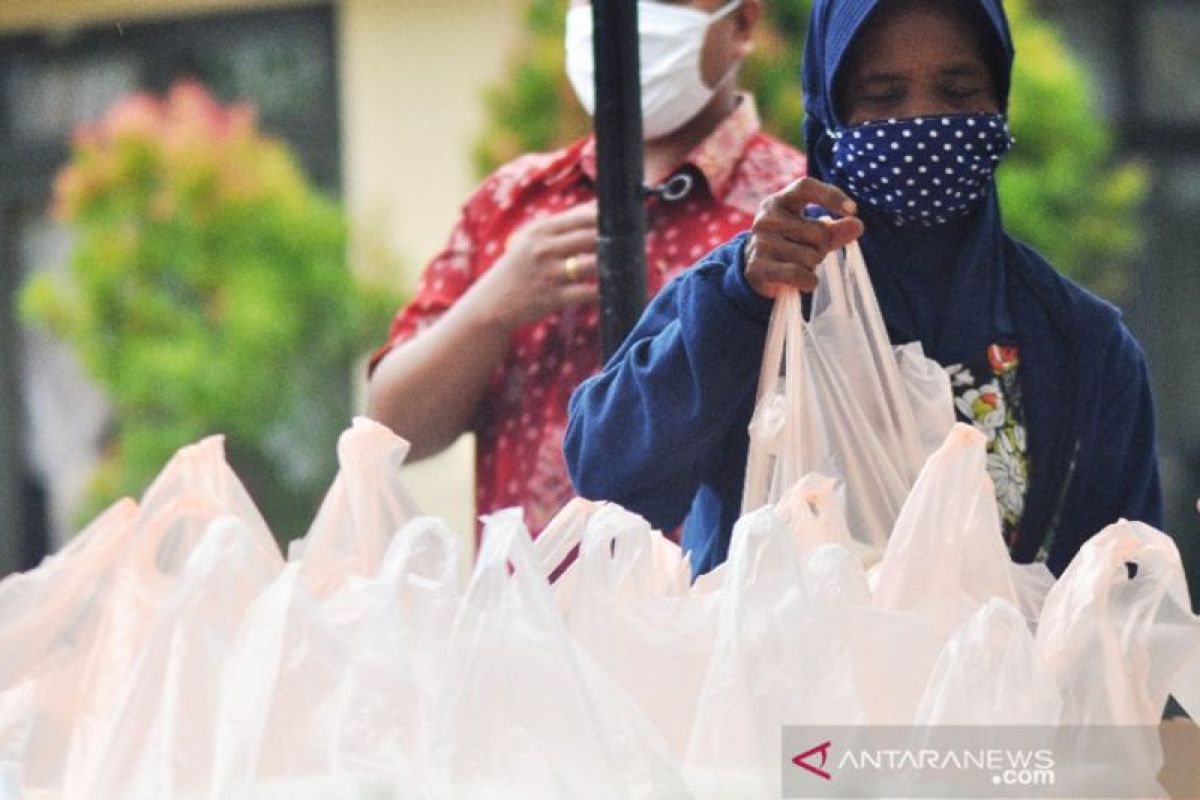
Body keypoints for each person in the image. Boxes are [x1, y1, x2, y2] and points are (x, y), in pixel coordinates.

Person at [564, 0, 1163, 578]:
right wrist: (737, 304)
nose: (921, 121)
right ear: (830, 115)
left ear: (999, 104)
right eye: (881, 97)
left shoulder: (1082, 346)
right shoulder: (757, 292)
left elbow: (1120, 607)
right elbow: (609, 478)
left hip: (1000, 679)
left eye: (957, 93)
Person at [367, 0, 807, 536]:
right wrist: (492, 306)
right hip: (528, 607)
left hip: (716, 606)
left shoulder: (790, 215)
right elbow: (389, 429)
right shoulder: (515, 201)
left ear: (741, 23)